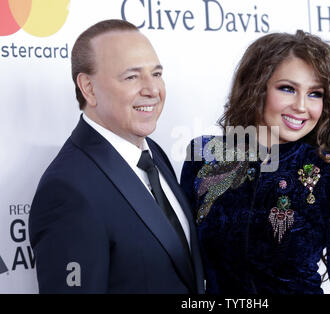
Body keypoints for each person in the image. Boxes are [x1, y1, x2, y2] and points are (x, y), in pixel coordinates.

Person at [180, 30, 330, 294]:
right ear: (256, 87)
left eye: (315, 93)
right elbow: (179, 262)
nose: (301, 106)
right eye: (287, 89)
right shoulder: (205, 154)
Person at [29, 19, 204, 293]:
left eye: (156, 74)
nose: (152, 90)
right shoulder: (67, 190)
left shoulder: (153, 152)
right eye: (131, 77)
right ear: (88, 88)